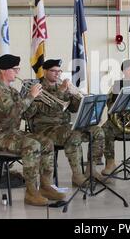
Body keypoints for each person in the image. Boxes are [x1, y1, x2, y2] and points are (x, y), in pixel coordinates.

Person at [0, 54, 65, 206]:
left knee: (46, 142)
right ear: (3, 70)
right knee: (31, 145)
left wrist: (35, 99)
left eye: (17, 69)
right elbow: (12, 111)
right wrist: (31, 96)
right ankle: (31, 192)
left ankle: (46, 186)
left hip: (11, 133)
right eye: (15, 69)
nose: (17, 72)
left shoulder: (12, 91)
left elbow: (25, 114)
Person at [29, 59, 106, 187]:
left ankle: (91, 170)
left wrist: (76, 96)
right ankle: (77, 175)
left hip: (65, 127)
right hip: (46, 129)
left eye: (59, 71)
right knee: (73, 135)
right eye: (53, 71)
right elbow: (51, 109)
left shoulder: (62, 86)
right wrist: (62, 91)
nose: (57, 74)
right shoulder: (38, 89)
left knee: (97, 131)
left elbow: (73, 108)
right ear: (45, 71)